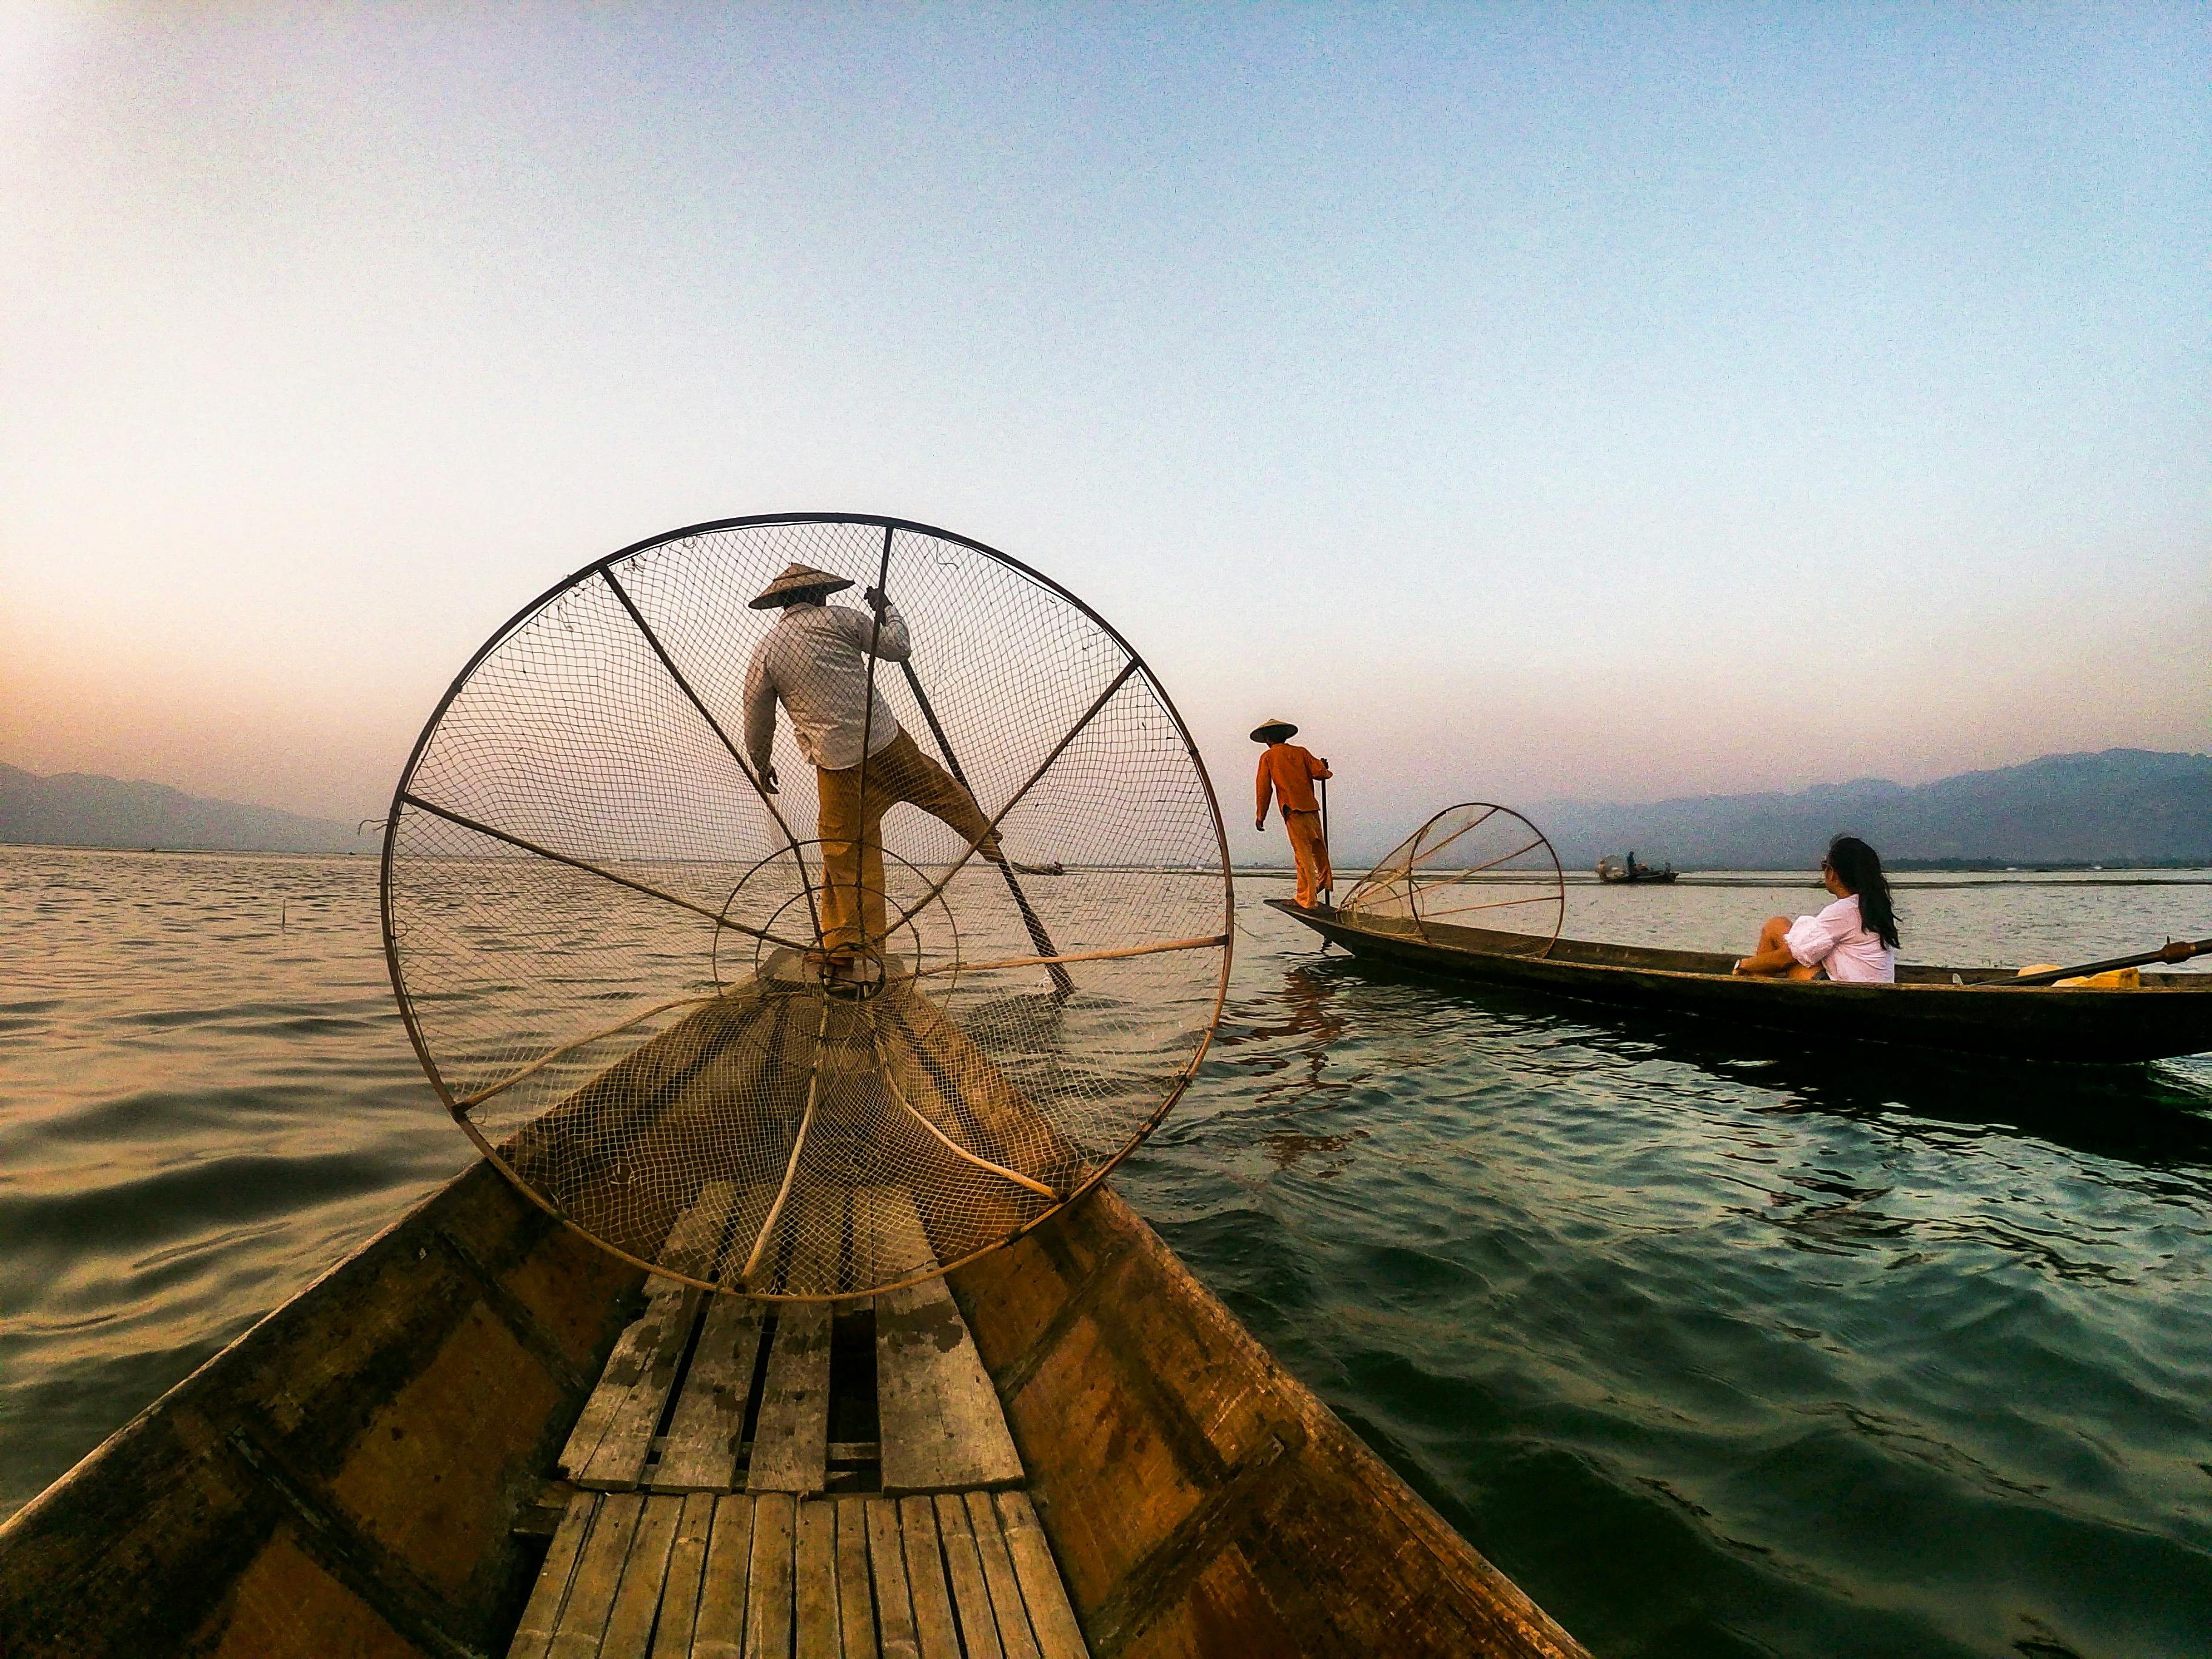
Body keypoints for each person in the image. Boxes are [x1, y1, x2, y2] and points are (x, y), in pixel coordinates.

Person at [742, 561, 1002, 976]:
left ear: (781, 604)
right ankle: (987, 839)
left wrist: (761, 761)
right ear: (820, 595)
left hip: (836, 762)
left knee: (843, 852)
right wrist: (889, 610)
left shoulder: (769, 647)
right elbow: (897, 648)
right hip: (884, 741)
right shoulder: (844, 618)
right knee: (938, 788)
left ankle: (847, 944)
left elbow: (758, 713)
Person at [1732, 835, 1900, 983]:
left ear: (1832, 873)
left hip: (1847, 996)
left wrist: (1744, 964)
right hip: (1870, 990)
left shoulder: (1844, 911)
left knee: (1781, 940)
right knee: (1778, 925)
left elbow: (1785, 958)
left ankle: (1758, 998)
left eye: (1824, 866)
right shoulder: (1872, 907)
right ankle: (1759, 990)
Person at [1252, 719, 1333, 908]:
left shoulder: (1268, 757)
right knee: (1318, 848)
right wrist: (1324, 767)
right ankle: (1323, 882)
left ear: (1267, 740)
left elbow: (1264, 789)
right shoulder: (1301, 752)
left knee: (1302, 853)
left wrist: (1260, 816)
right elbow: (1320, 773)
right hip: (1311, 808)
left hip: (1293, 809)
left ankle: (1308, 899)